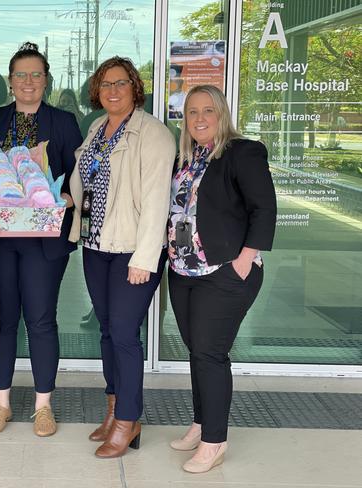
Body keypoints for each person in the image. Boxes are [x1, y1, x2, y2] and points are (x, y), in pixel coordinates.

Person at [69, 56, 176, 458]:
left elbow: (155, 203)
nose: (113, 91)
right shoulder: (97, 127)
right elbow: (84, 176)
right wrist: (68, 198)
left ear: (135, 88)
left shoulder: (153, 134)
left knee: (125, 335)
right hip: (96, 245)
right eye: (106, 84)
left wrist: (145, 258)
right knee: (107, 330)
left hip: (134, 249)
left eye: (121, 83)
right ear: (97, 91)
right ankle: (113, 410)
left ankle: (129, 420)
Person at [167, 84, 276, 473]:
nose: (199, 118)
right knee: (198, 351)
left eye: (207, 110)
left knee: (210, 353)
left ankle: (214, 442)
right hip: (183, 272)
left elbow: (264, 208)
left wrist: (245, 259)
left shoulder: (242, 152)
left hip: (224, 272)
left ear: (222, 114)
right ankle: (200, 423)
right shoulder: (185, 157)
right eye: (191, 111)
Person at [0, 42, 82, 437]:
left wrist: (70, 197)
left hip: (45, 240)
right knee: (3, 321)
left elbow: (76, 175)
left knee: (40, 320)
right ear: (10, 80)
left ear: (46, 79)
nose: (28, 81)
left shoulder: (64, 121)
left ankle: (43, 406)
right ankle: (0, 404)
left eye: (36, 74)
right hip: (2, 238)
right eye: (20, 74)